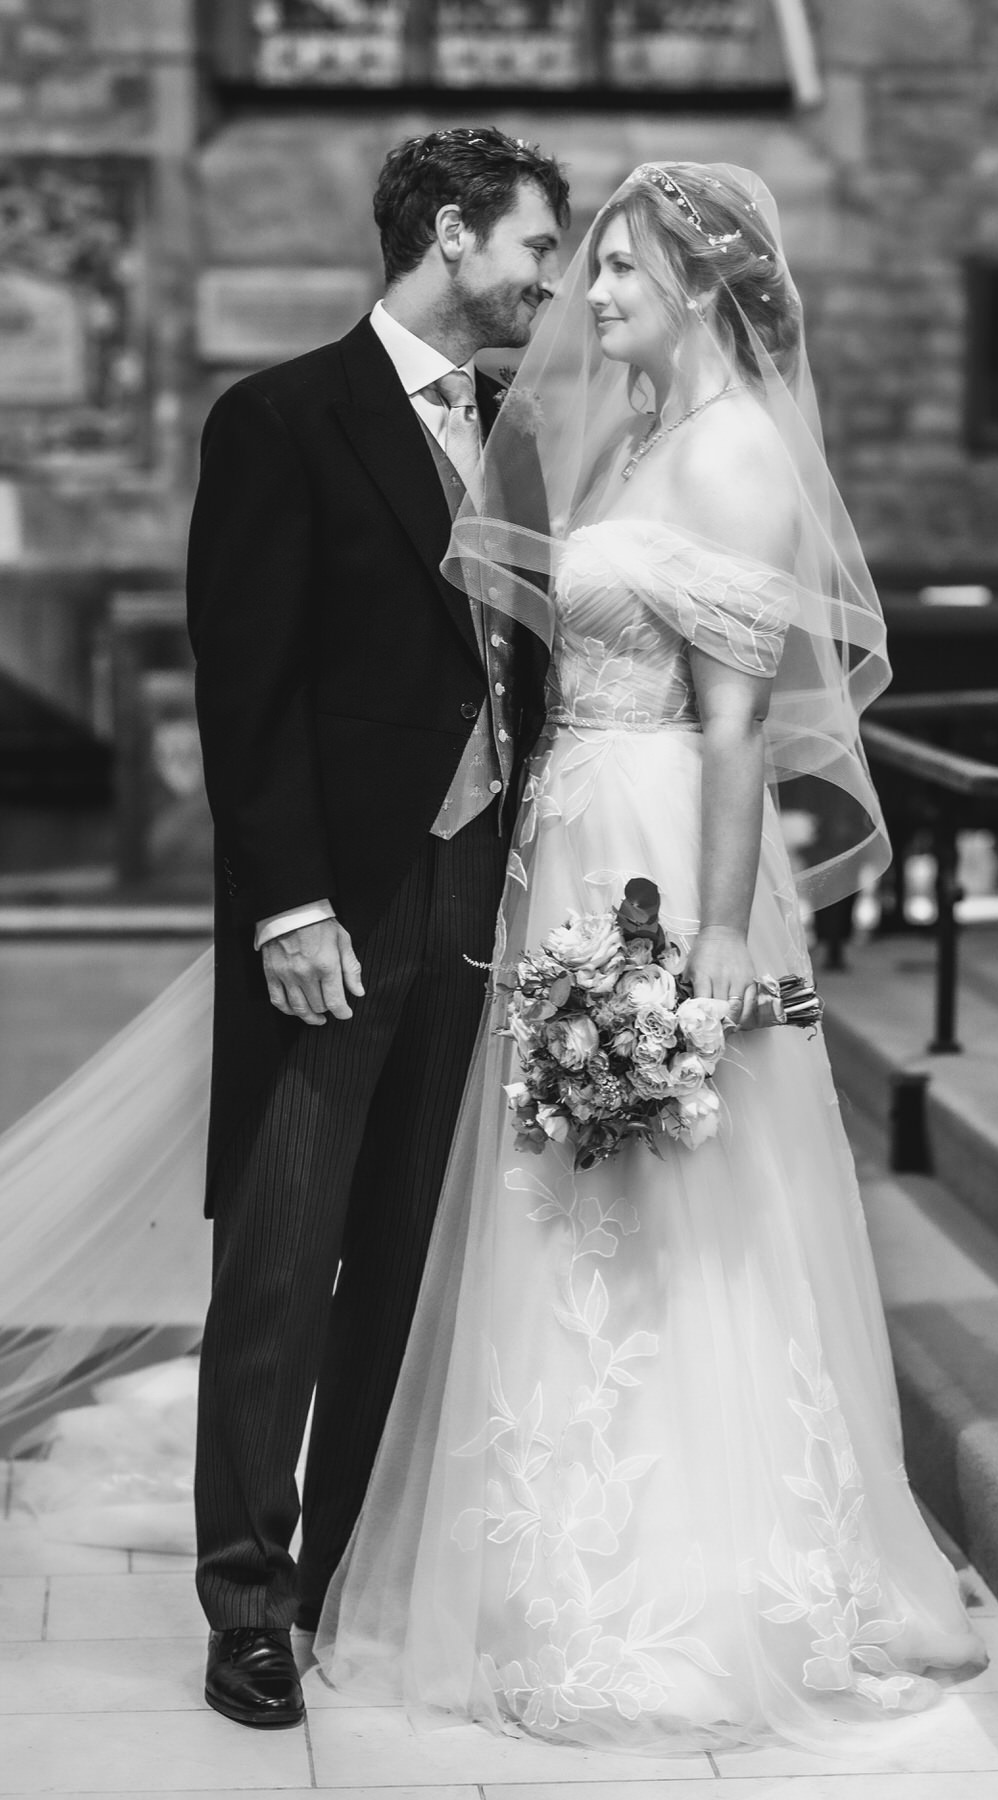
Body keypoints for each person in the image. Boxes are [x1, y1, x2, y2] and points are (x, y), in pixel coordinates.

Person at [313, 162, 986, 1751]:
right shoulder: (634, 437)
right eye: (588, 263)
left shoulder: (740, 448)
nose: (589, 293)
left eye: (619, 268)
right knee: (564, 1188)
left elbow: (738, 729)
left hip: (657, 848)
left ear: (697, 284)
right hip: (569, 833)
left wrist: (714, 939)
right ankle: (547, 1551)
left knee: (672, 1184)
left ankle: (692, 1568)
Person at [185, 127, 568, 1728]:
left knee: (404, 1256)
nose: (548, 278)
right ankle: (246, 1601)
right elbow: (246, 690)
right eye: (535, 244)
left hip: (479, 893)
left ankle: (338, 1567)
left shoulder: (516, 433)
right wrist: (287, 902)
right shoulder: (282, 419)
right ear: (453, 233)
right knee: (284, 1259)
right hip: (336, 901)